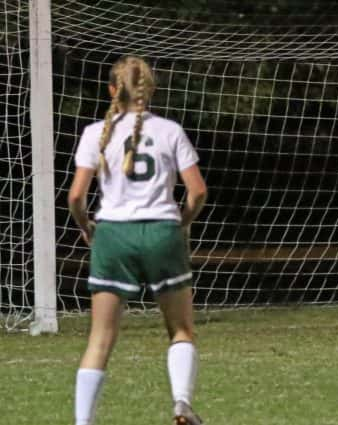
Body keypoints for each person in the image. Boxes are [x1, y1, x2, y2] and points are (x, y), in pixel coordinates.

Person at [68, 56, 208, 424]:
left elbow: (75, 196)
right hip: (161, 230)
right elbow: (197, 191)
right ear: (151, 90)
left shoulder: (94, 133)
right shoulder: (169, 131)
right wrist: (182, 224)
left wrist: (85, 226)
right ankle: (181, 403)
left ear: (113, 90)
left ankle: (84, 422)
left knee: (100, 339)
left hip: (113, 234)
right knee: (180, 329)